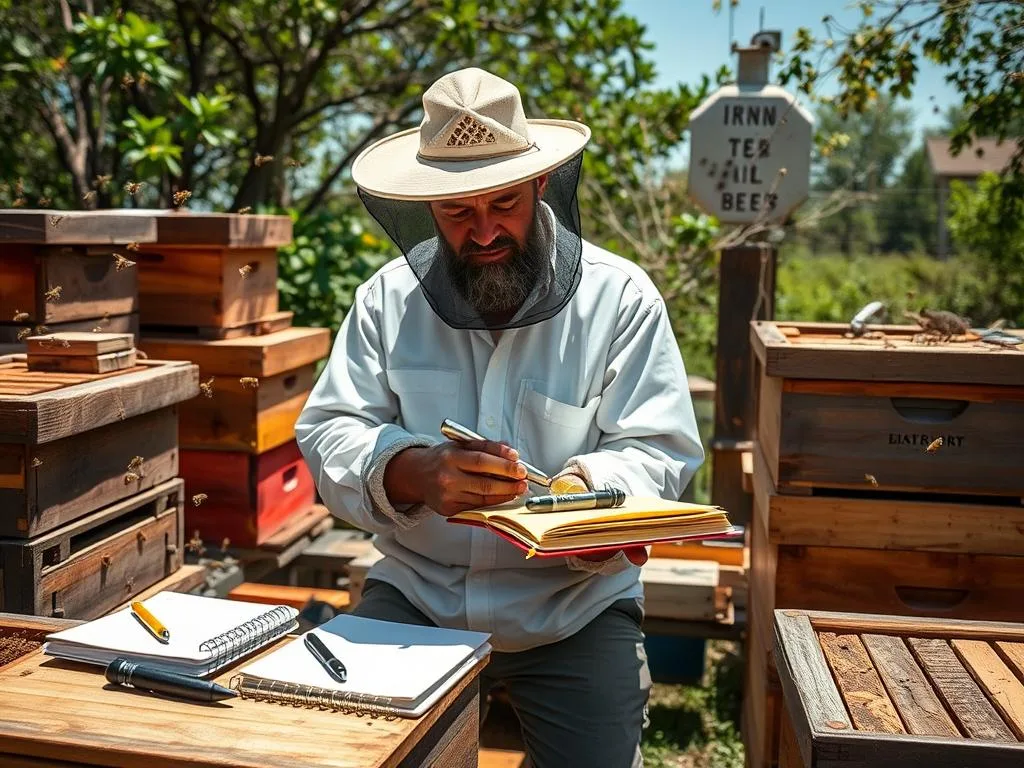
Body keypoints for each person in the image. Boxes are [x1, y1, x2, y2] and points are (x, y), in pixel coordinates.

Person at [295, 67, 704, 768]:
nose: (483, 230)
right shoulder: (386, 299)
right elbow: (332, 428)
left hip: (575, 607)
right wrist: (409, 470)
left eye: (504, 203)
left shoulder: (621, 298)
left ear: (541, 184)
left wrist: (587, 499)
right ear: (426, 206)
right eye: (458, 211)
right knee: (334, 750)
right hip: (417, 596)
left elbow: (658, 447)